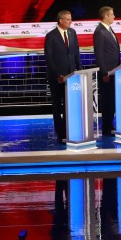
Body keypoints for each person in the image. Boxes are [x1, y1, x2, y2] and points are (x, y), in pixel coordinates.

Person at [44, 9, 83, 143]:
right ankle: (60, 133)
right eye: (68, 19)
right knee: (57, 105)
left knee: (69, 105)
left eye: (71, 18)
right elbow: (49, 58)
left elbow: (75, 53)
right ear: (60, 20)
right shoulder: (51, 36)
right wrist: (57, 75)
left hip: (71, 76)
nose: (70, 21)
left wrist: (80, 71)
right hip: (57, 77)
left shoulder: (72, 33)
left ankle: (68, 131)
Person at [93, 6, 121, 136]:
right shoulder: (100, 31)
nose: (114, 16)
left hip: (114, 71)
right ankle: (106, 127)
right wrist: (104, 72)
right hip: (107, 73)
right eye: (112, 14)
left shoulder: (109, 30)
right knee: (107, 100)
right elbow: (99, 54)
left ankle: (110, 125)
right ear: (106, 16)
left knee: (112, 100)